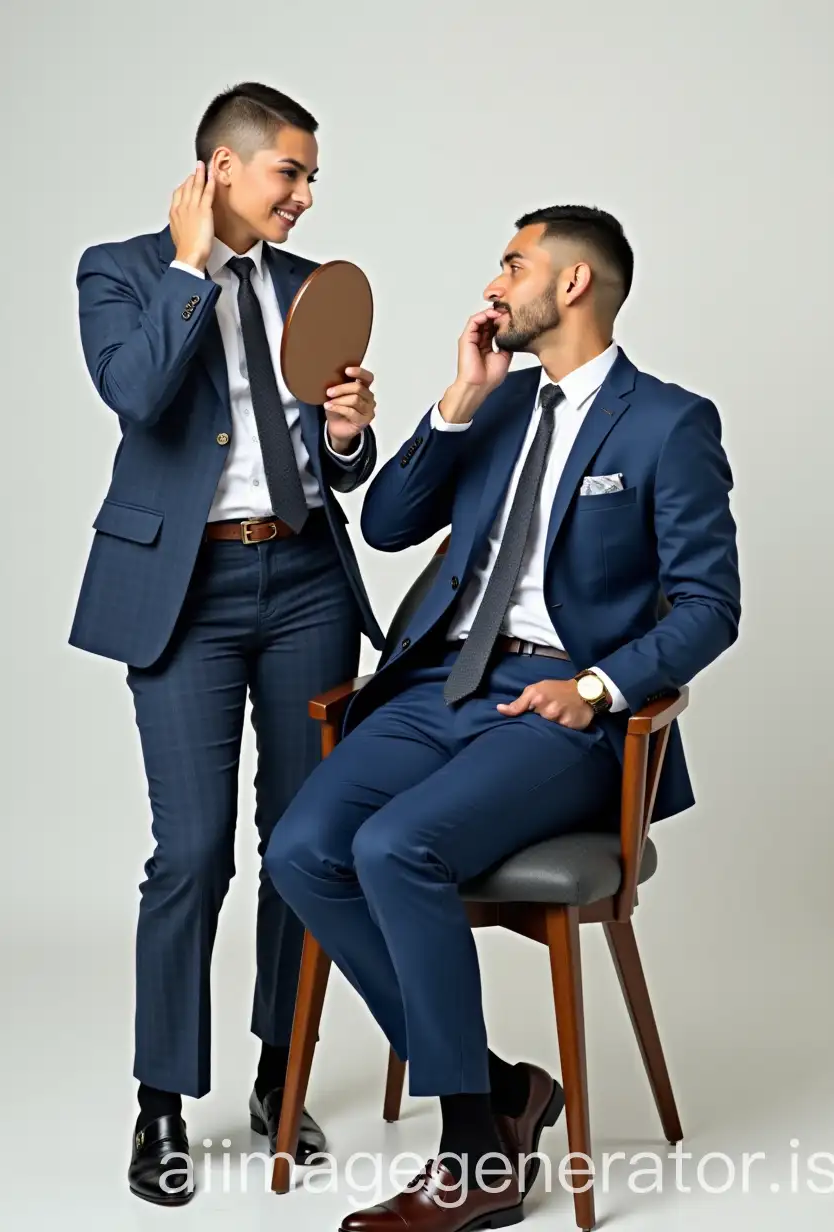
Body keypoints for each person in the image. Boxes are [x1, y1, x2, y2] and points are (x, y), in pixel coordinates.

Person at [265, 204, 740, 1229]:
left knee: (395, 845)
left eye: (513, 263)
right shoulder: (499, 403)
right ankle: (501, 1086)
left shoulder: (667, 422)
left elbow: (710, 603)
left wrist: (600, 687)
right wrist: (454, 402)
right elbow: (388, 522)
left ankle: (474, 1152)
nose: (494, 282)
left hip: (559, 715)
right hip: (438, 688)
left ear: (571, 283)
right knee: (301, 846)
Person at [69, 82, 384, 1206]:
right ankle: (161, 1098)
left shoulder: (310, 288)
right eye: (289, 172)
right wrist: (189, 269)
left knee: (303, 844)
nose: (305, 194)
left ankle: (277, 1067)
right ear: (219, 168)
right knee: (192, 850)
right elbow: (140, 393)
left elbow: (333, 465)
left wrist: (349, 434)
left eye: (309, 175)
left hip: (303, 581)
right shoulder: (117, 271)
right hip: (184, 591)